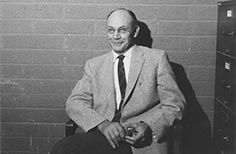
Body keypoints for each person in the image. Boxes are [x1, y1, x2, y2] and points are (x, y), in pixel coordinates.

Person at [51, 8, 185, 154]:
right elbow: (75, 102)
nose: (115, 36)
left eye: (122, 30)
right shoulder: (94, 65)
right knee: (63, 148)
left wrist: (148, 126)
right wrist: (103, 124)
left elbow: (175, 104)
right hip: (105, 136)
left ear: (135, 31)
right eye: (110, 30)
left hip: (140, 140)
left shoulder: (156, 59)